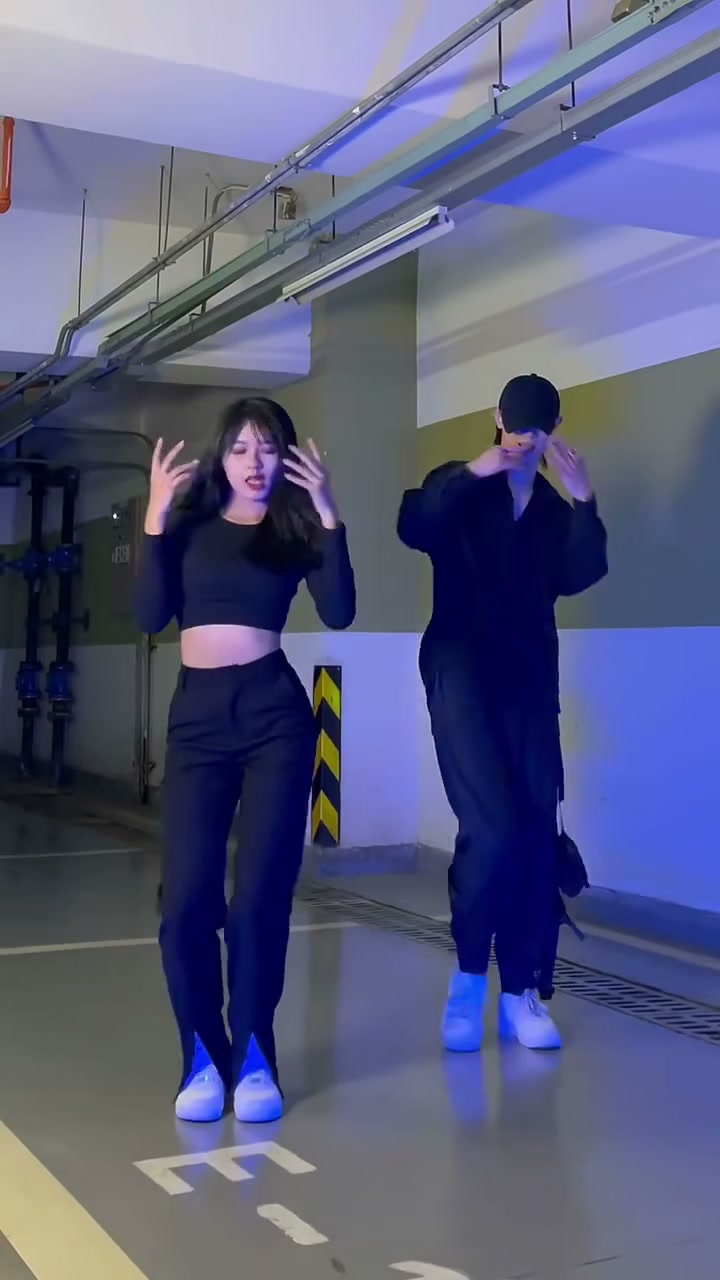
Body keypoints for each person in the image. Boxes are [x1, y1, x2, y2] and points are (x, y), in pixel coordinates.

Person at [133, 397, 355, 1123]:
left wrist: (328, 513)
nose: (254, 463)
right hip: (198, 722)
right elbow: (149, 615)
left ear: (286, 458)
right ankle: (202, 1052)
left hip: (273, 718)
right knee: (186, 901)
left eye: (268, 449)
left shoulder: (293, 528)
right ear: (221, 456)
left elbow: (340, 610)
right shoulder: (189, 523)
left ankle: (255, 1052)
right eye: (240, 448)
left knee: (259, 899)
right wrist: (154, 518)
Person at [397, 375, 607, 1052]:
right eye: (516, 429)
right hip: (460, 671)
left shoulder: (550, 510)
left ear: (551, 433)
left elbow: (579, 573)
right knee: (489, 828)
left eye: (537, 432)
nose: (525, 441)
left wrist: (584, 500)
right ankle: (467, 979)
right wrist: (476, 469)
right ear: (497, 418)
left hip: (529, 681)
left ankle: (521, 991)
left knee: (533, 831)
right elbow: (415, 523)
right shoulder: (461, 486)